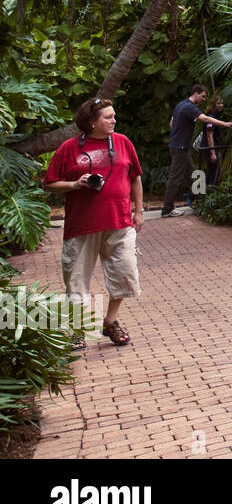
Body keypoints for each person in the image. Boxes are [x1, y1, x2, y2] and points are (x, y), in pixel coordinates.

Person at [42, 98, 145, 348]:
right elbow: (48, 183)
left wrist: (139, 210)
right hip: (82, 224)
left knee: (124, 273)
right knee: (76, 280)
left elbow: (135, 177)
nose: (113, 120)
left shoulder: (122, 142)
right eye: (107, 117)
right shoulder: (69, 148)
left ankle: (110, 322)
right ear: (91, 122)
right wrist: (76, 184)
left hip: (119, 221)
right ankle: (77, 331)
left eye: (113, 116)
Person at [161, 84, 232, 217]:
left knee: (194, 175)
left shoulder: (180, 105)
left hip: (179, 146)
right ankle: (167, 209)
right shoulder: (189, 107)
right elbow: (205, 119)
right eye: (203, 96)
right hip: (180, 147)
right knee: (175, 178)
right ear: (196, 93)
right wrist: (225, 124)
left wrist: (178, 133)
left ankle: (201, 203)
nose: (204, 99)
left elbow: (171, 123)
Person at [197, 96, 232, 186]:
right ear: (213, 105)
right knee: (214, 172)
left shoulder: (216, 117)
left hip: (215, 147)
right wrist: (212, 153)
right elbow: (209, 136)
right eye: (218, 103)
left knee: (214, 172)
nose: (221, 105)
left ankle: (205, 193)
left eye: (222, 103)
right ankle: (205, 193)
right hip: (210, 148)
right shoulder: (210, 118)